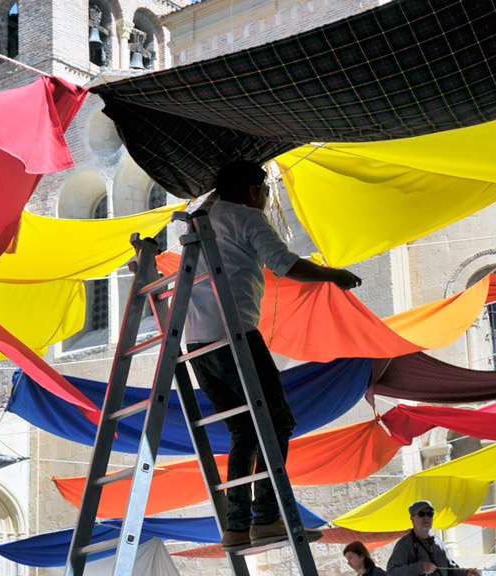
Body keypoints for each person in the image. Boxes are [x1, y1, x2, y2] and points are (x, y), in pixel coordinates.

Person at [184, 160, 362, 551]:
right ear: (252, 191)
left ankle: (235, 525)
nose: (266, 200)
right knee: (277, 420)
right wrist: (335, 276)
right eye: (266, 192)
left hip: (196, 346)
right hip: (234, 337)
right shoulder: (246, 218)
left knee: (243, 430)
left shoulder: (199, 221)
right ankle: (265, 518)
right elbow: (285, 264)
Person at [386, 501, 480, 576]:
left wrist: (466, 573)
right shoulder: (405, 544)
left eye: (430, 514)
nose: (426, 517)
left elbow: (450, 569)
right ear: (412, 519)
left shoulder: (438, 543)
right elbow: (391, 572)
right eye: (421, 514)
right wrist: (420, 568)